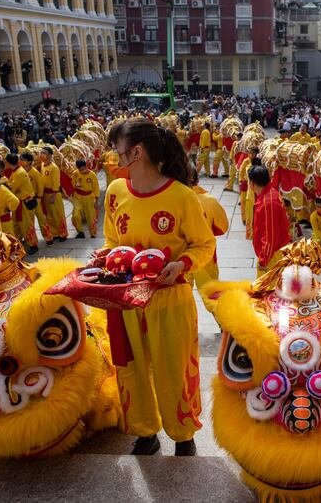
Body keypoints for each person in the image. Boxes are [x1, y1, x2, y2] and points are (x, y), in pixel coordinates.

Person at [104, 117, 215, 456]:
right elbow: (111, 238)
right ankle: (144, 431)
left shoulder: (182, 197)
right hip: (127, 300)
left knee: (173, 369)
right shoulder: (115, 191)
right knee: (133, 368)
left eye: (116, 151)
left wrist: (181, 264)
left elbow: (204, 244)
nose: (112, 158)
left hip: (170, 298)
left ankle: (183, 435)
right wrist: (108, 258)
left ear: (135, 152)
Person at [187, 166, 228, 307]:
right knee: (212, 295)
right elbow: (222, 227)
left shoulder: (171, 201)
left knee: (179, 297)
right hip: (205, 255)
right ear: (197, 180)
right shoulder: (209, 201)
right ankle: (226, 324)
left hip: (178, 255)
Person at [248, 164, 290, 277]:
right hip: (273, 252)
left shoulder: (268, 203)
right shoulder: (271, 193)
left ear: (252, 183)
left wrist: (263, 260)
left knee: (266, 290)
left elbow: (270, 236)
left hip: (272, 255)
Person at [5, 153, 39, 254]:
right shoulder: (16, 171)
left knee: (26, 225)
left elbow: (12, 188)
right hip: (19, 202)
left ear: (8, 162)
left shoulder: (19, 173)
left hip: (24, 202)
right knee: (16, 225)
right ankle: (19, 244)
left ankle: (33, 245)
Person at [20, 152, 52, 244]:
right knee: (29, 221)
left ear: (29, 161)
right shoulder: (21, 172)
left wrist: (39, 198)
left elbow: (40, 186)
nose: (21, 162)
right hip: (25, 199)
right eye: (20, 160)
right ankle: (29, 239)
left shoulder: (35, 173)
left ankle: (48, 238)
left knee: (41, 219)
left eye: (23, 160)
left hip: (36, 198)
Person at [39, 146, 68, 243]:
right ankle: (54, 233)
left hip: (53, 194)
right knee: (49, 215)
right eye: (41, 152)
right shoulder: (43, 165)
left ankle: (62, 233)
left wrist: (54, 195)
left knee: (58, 215)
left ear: (50, 155)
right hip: (45, 194)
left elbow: (56, 183)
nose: (42, 154)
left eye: (44, 153)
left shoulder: (54, 168)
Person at [71, 159, 100, 239]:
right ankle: (80, 232)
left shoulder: (92, 175)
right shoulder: (75, 173)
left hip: (89, 197)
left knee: (90, 216)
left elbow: (96, 188)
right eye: (80, 169)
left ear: (86, 166)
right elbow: (73, 183)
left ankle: (93, 233)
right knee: (76, 214)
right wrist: (76, 185)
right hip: (77, 196)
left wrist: (96, 200)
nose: (81, 170)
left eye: (83, 168)